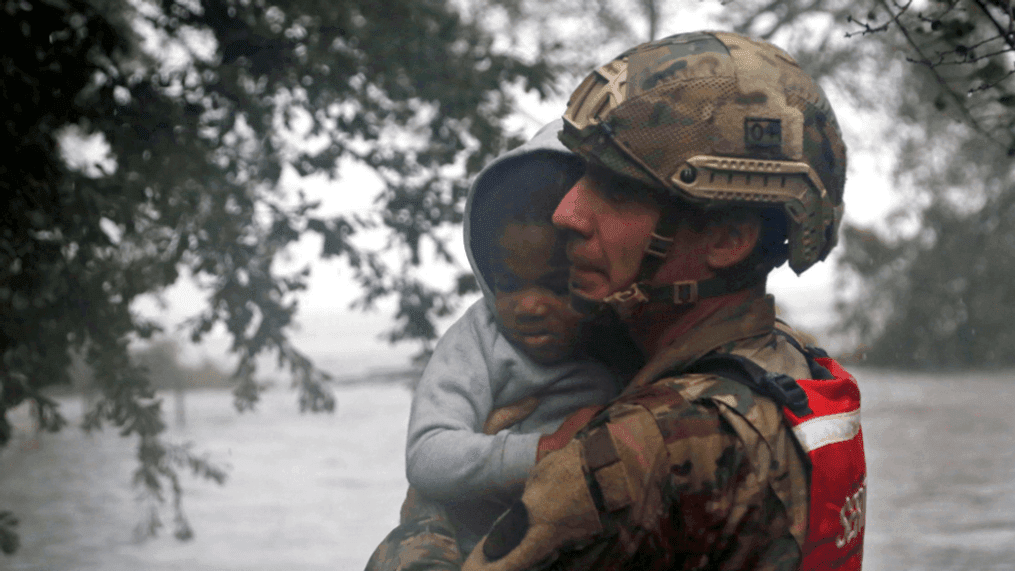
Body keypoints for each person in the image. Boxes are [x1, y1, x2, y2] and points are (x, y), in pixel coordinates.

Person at [461, 31, 867, 571]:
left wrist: (438, 509)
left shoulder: (645, 447)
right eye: (582, 175)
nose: (566, 213)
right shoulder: (795, 364)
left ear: (727, 240)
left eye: (619, 191)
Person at [365, 120, 638, 570]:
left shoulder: (623, 339)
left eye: (555, 285)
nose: (529, 305)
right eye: (509, 284)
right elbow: (428, 455)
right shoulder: (479, 339)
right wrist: (543, 451)